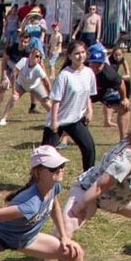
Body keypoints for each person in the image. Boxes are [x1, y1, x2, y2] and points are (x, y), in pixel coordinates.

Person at [61, 111, 131, 261]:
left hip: (120, 198)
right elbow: (99, 186)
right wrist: (79, 206)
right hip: (90, 193)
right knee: (67, 224)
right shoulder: (127, 156)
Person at [45, 42, 98, 170]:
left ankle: (87, 180)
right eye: (76, 53)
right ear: (69, 56)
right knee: (46, 155)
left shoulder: (89, 73)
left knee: (89, 148)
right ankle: (37, 182)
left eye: (82, 53)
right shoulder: (65, 75)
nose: (80, 56)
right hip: (59, 121)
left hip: (75, 120)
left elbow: (88, 95)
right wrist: (54, 122)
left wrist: (89, 110)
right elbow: (56, 100)